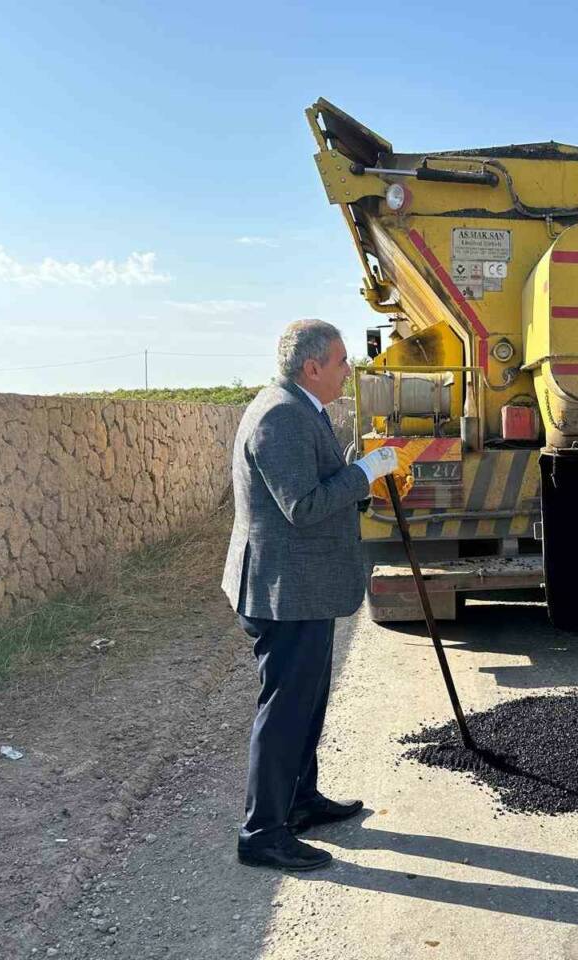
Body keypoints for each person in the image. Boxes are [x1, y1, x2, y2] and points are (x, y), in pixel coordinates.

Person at [221, 319, 411, 871]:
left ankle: (300, 801)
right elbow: (301, 505)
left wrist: (357, 474)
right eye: (341, 361)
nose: (348, 370)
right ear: (313, 367)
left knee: (307, 702)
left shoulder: (302, 407)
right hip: (284, 591)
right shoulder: (281, 415)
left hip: (303, 588)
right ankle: (262, 833)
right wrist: (364, 473)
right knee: (284, 711)